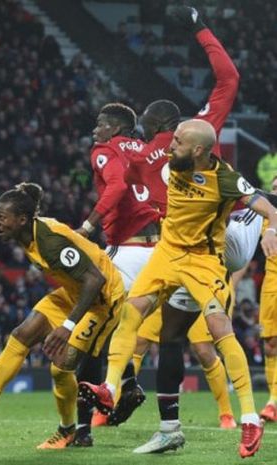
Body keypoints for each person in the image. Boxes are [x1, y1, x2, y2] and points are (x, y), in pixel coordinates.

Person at [79, 119, 277, 458]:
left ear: (199, 150)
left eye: (179, 143)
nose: (171, 148)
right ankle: (111, 388)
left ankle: (248, 417)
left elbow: (267, 205)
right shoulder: (171, 162)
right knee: (134, 314)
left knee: (216, 330)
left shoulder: (225, 177)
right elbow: (133, 164)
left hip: (204, 260)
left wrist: (272, 227)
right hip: (168, 254)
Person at [111, 6, 243, 433]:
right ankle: (152, 411)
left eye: (149, 128)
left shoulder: (185, 137)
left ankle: (117, 386)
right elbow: (230, 80)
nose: (148, 137)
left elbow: (124, 195)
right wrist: (198, 25)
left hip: (222, 235)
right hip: (185, 244)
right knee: (169, 336)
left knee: (156, 325)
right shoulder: (164, 149)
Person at [0, 182, 125, 449]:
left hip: (102, 300)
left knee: (60, 367)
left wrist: (67, 325)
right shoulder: (27, 236)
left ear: (22, 219)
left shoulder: (49, 241)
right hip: (74, 292)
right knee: (21, 335)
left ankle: (67, 430)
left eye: (2, 217)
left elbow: (94, 281)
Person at [72, 102, 160, 443]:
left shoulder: (104, 151)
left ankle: (81, 430)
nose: (95, 130)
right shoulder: (148, 151)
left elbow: (117, 187)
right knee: (126, 328)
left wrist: (88, 224)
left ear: (117, 128)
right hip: (162, 251)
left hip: (129, 250)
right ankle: (131, 384)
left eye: (100, 124)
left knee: (90, 333)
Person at [259, 175, 277, 422]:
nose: (275, 190)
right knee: (271, 344)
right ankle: (274, 399)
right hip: (271, 284)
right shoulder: (264, 215)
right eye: (273, 187)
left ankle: (273, 402)